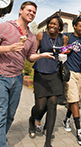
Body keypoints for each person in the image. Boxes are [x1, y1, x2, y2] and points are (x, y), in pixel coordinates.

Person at [0, 1, 55, 147]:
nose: (31, 13)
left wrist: (42, 55)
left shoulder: (31, 36)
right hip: (0, 76)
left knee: (9, 116)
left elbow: (30, 56)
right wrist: (9, 48)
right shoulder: (5, 27)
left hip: (17, 79)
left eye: (34, 12)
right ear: (20, 11)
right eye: (29, 10)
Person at [28, 15, 68, 147]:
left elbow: (64, 52)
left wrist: (65, 54)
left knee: (52, 105)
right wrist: (40, 55)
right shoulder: (40, 35)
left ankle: (47, 143)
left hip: (55, 74)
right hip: (41, 72)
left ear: (60, 27)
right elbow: (32, 54)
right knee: (40, 106)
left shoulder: (64, 38)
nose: (51, 26)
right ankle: (32, 120)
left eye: (55, 24)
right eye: (50, 23)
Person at [62, 15, 81, 145]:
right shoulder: (67, 37)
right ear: (74, 26)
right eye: (80, 26)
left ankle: (66, 119)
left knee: (73, 99)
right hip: (70, 72)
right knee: (75, 100)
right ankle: (79, 130)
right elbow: (60, 51)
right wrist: (66, 50)